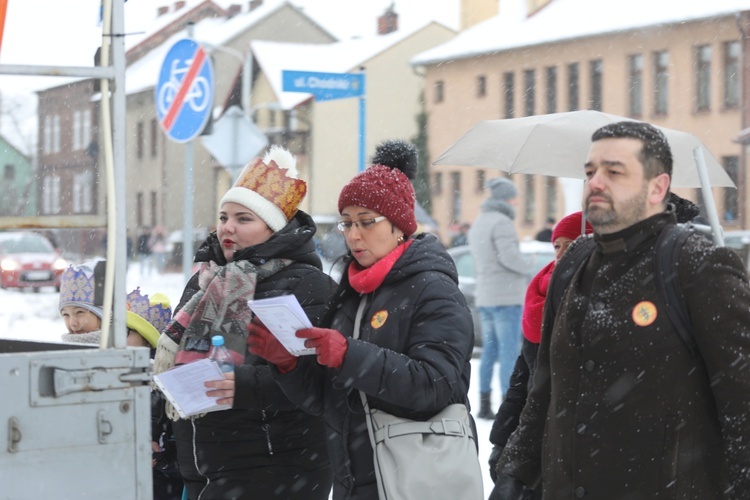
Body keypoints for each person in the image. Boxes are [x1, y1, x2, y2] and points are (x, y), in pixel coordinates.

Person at [494, 121, 750, 498]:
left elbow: (742, 407)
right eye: (590, 171)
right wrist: (515, 471)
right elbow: (544, 390)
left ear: (657, 187)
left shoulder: (698, 266)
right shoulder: (572, 264)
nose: (596, 182)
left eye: (614, 171)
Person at [247, 139, 476, 500]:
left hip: (418, 481)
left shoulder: (433, 288)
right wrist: (289, 365)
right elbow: (332, 403)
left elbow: (436, 384)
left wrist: (349, 356)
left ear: (400, 226)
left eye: (367, 222)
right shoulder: (352, 293)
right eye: (347, 223)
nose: (354, 235)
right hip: (357, 483)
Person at [152, 146, 335, 500]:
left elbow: (316, 381)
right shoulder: (203, 281)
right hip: (202, 464)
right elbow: (170, 365)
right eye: (223, 217)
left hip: (276, 467)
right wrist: (156, 425)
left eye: (243, 219)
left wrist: (241, 384)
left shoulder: (307, 285)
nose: (227, 228)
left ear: (275, 228)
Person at [487, 212, 592, 498]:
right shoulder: (541, 296)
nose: (560, 254)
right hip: (532, 436)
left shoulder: (591, 301)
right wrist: (502, 441)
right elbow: (522, 382)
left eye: (569, 246)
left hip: (570, 444)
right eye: (557, 246)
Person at [468, 177, 529, 420]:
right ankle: (508, 405)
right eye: (513, 198)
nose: (516, 203)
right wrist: (529, 265)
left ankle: (484, 402)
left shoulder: (480, 222)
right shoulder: (502, 223)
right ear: (505, 199)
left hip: (486, 296)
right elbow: (509, 257)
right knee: (508, 353)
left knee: (490, 353)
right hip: (506, 296)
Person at [125, 288, 183, 500]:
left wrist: (162, 457)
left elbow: (179, 440)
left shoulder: (163, 380)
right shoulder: (115, 370)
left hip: (162, 485)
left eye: (126, 332)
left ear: (148, 339)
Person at [59, 261, 105, 344]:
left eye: (79, 312)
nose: (73, 323)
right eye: (66, 314)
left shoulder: (125, 346)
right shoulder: (62, 352)